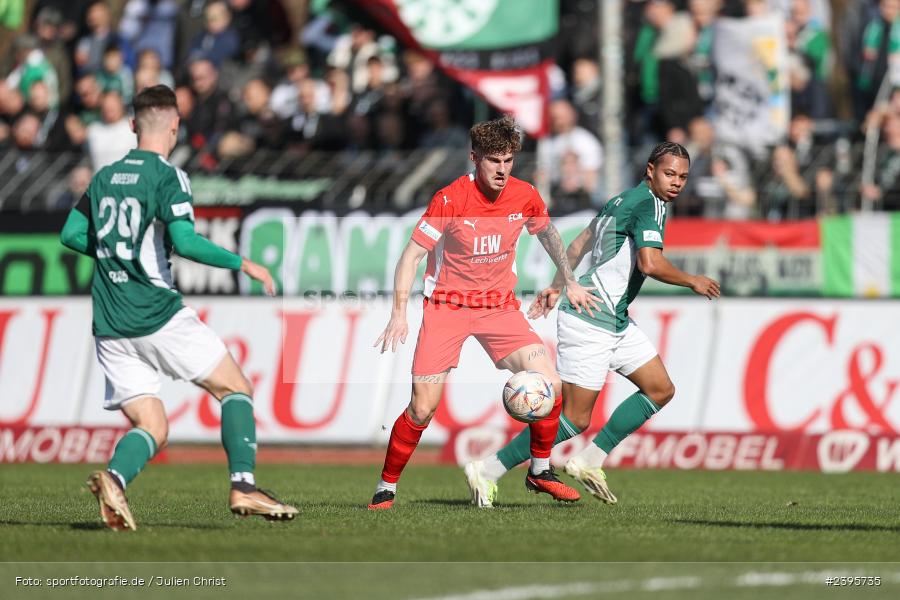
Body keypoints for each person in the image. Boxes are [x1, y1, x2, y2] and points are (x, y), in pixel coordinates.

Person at [59, 85, 297, 531]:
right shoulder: (169, 176)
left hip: (109, 321)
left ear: (133, 125)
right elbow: (185, 243)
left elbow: (70, 234)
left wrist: (116, 253)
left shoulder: (105, 175)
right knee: (235, 387)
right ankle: (244, 485)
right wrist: (243, 263)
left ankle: (114, 480)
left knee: (152, 426)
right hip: (154, 311)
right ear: (175, 125)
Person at [465, 142, 720, 506]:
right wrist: (692, 280)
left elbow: (578, 245)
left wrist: (557, 287)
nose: (677, 182)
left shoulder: (622, 200)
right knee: (575, 419)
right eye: (669, 174)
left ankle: (589, 460)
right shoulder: (647, 204)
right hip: (591, 319)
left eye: (683, 176)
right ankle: (489, 468)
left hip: (613, 318)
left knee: (660, 389)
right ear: (650, 170)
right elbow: (649, 263)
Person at [368, 116, 599, 510]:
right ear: (475, 158)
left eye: (508, 160)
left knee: (551, 383)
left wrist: (569, 280)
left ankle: (540, 471)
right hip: (447, 308)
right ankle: (386, 486)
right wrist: (399, 313)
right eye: (494, 160)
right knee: (422, 408)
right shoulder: (449, 199)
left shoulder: (524, 194)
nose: (502, 169)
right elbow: (411, 256)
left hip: (498, 308)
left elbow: (548, 234)